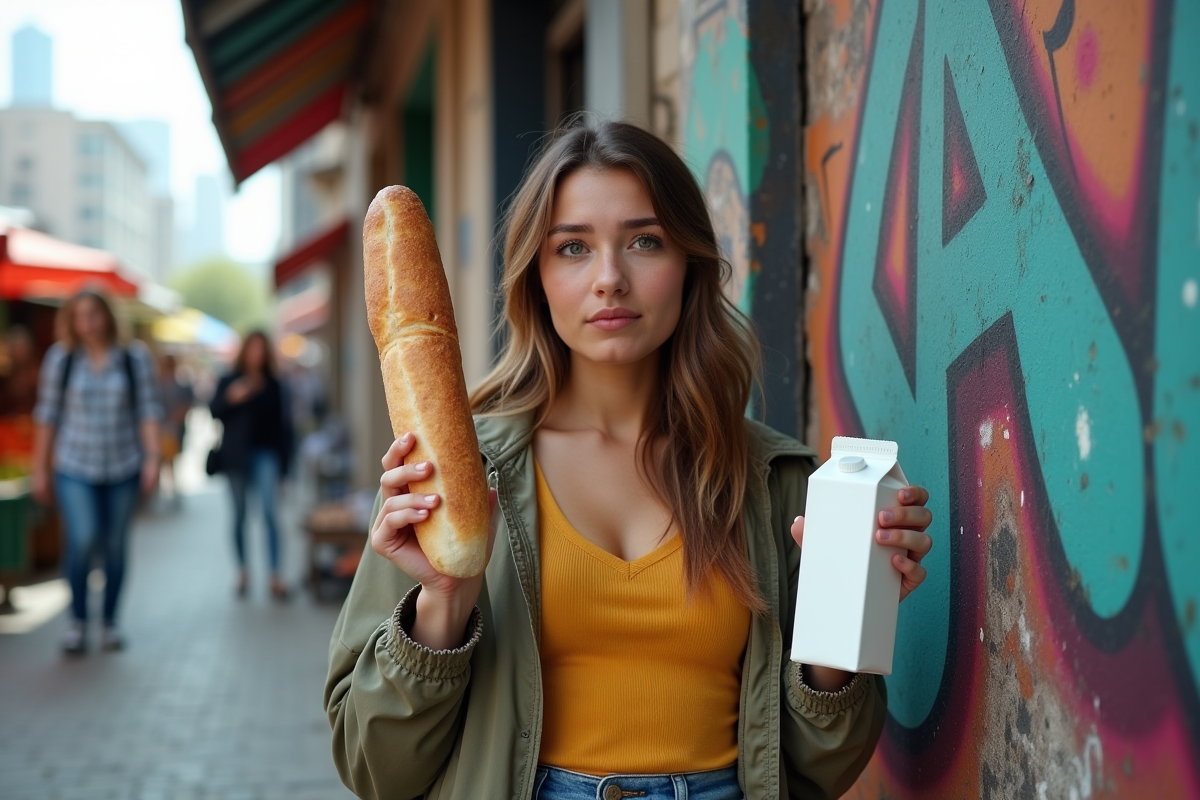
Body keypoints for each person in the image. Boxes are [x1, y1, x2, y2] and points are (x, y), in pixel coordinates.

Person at [325, 122, 935, 800]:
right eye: (573, 248)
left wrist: (850, 607)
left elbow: (821, 765)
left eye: (645, 241)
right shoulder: (450, 479)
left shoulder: (772, 482)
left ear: (690, 265)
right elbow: (375, 768)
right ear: (538, 276)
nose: (610, 279)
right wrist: (440, 604)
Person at [31, 290, 162, 655]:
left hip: (123, 465)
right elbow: (46, 416)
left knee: (116, 546)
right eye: (80, 315)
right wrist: (39, 468)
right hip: (74, 465)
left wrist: (152, 459)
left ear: (107, 315)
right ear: (71, 320)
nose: (87, 322)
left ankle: (109, 621)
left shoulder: (134, 358)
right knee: (84, 538)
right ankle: (77, 620)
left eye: (94, 314)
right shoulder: (62, 359)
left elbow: (148, 412)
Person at [210, 331, 292, 600]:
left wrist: (285, 470)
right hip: (236, 457)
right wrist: (232, 397)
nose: (257, 354)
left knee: (269, 513)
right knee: (239, 515)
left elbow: (284, 428)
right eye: (252, 348)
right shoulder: (229, 380)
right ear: (244, 351)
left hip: (266, 454)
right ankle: (243, 570)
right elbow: (214, 410)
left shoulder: (274, 385)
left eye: (261, 349)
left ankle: (274, 574)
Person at [157, 353, 194, 504]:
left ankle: (172, 490)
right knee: (161, 461)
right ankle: (162, 491)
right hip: (161, 429)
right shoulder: (158, 385)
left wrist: (172, 420)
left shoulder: (180, 386)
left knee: (171, 462)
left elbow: (186, 406)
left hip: (173, 429)